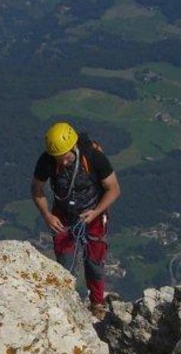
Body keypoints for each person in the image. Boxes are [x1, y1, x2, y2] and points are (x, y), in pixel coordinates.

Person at [31, 121, 121, 317]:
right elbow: (36, 190)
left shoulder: (94, 157)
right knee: (64, 262)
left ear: (74, 147)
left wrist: (96, 213)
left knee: (94, 262)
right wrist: (47, 215)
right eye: (58, 159)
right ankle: (66, 301)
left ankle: (97, 304)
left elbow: (113, 189)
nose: (62, 163)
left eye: (65, 157)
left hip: (93, 214)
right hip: (63, 215)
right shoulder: (47, 161)